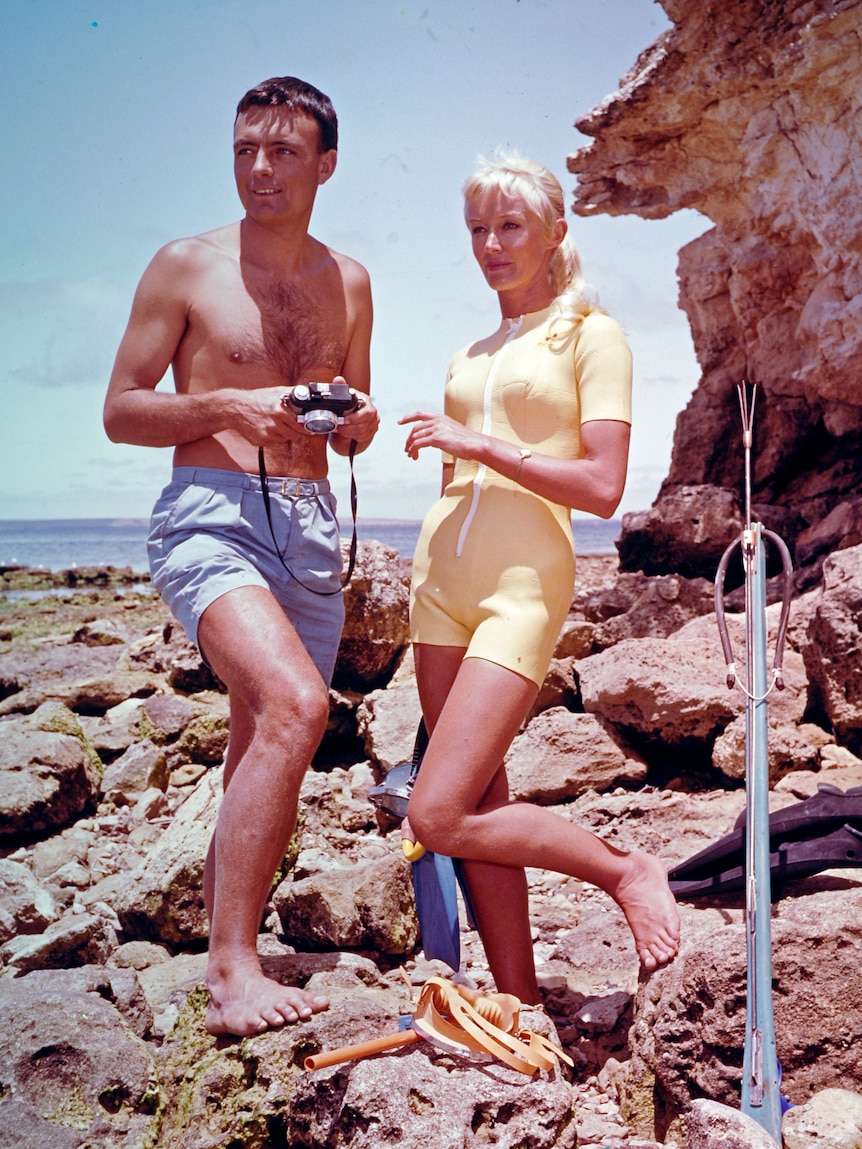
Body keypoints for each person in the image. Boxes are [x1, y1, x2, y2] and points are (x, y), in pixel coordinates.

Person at [103, 76, 379, 1037]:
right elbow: (120, 410)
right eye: (244, 151)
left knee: (259, 735)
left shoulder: (349, 280)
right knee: (300, 707)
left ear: (325, 165)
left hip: (308, 526)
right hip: (209, 513)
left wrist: (358, 423)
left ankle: (227, 943)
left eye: (283, 152)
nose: (260, 170)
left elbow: (351, 418)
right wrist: (223, 406)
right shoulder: (186, 266)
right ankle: (230, 973)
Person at [399, 155, 679, 1012]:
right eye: (477, 229)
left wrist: (479, 445)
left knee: (434, 814)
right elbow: (459, 484)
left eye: (509, 226)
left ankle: (625, 869)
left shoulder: (594, 335)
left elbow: (602, 487)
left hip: (524, 585)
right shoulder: (472, 350)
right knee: (479, 796)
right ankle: (520, 1005)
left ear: (556, 233)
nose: (490, 244)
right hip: (438, 579)